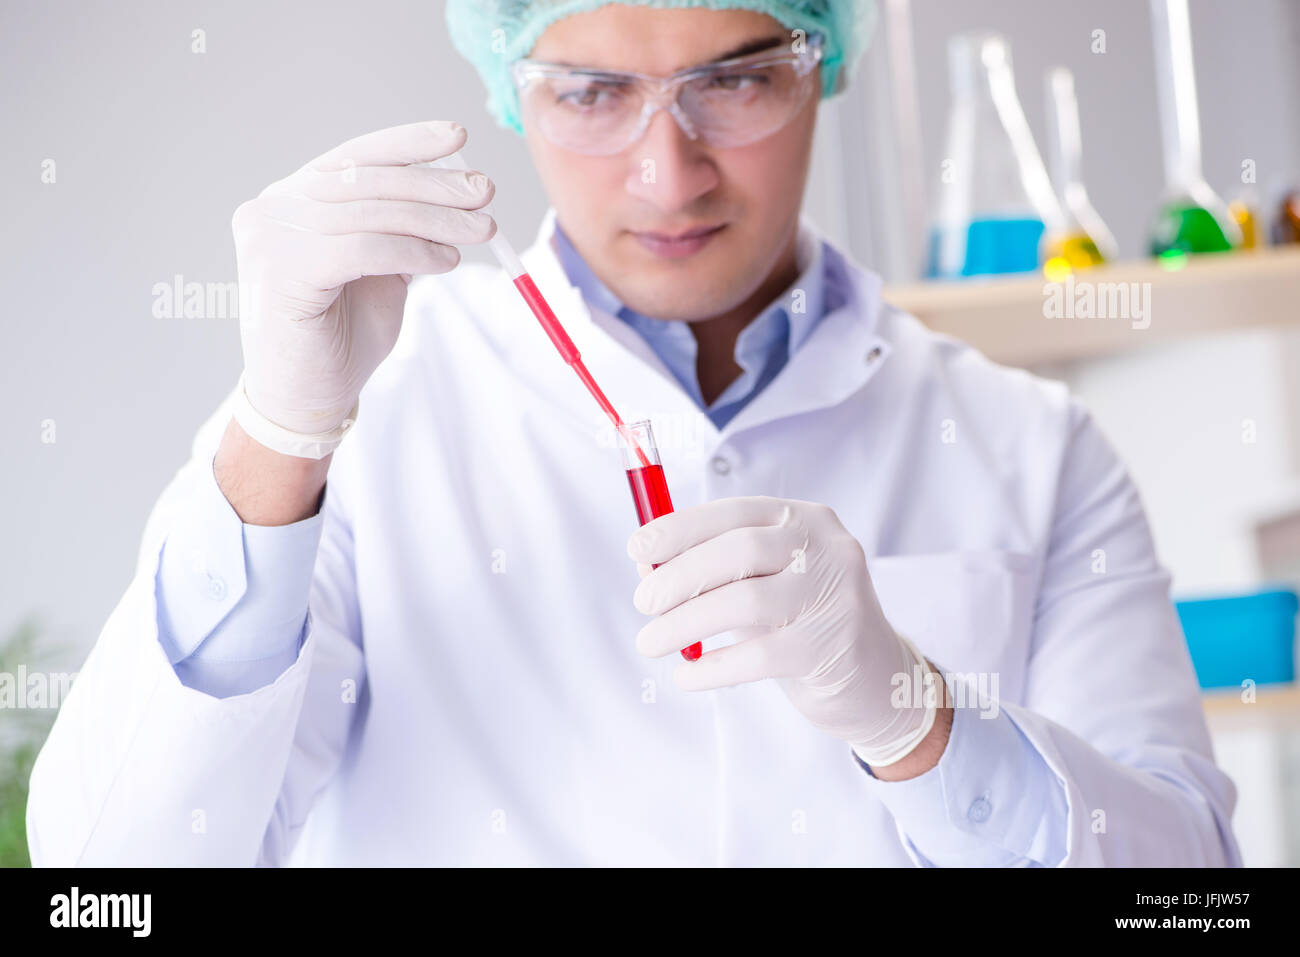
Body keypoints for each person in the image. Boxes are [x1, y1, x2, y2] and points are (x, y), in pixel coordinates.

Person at [27, 0, 1240, 866]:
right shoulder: (370, 412)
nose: (670, 174)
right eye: (595, 91)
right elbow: (114, 873)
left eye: (733, 78)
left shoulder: (1032, 443)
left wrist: (916, 718)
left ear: (822, 61)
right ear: (512, 85)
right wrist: (280, 434)